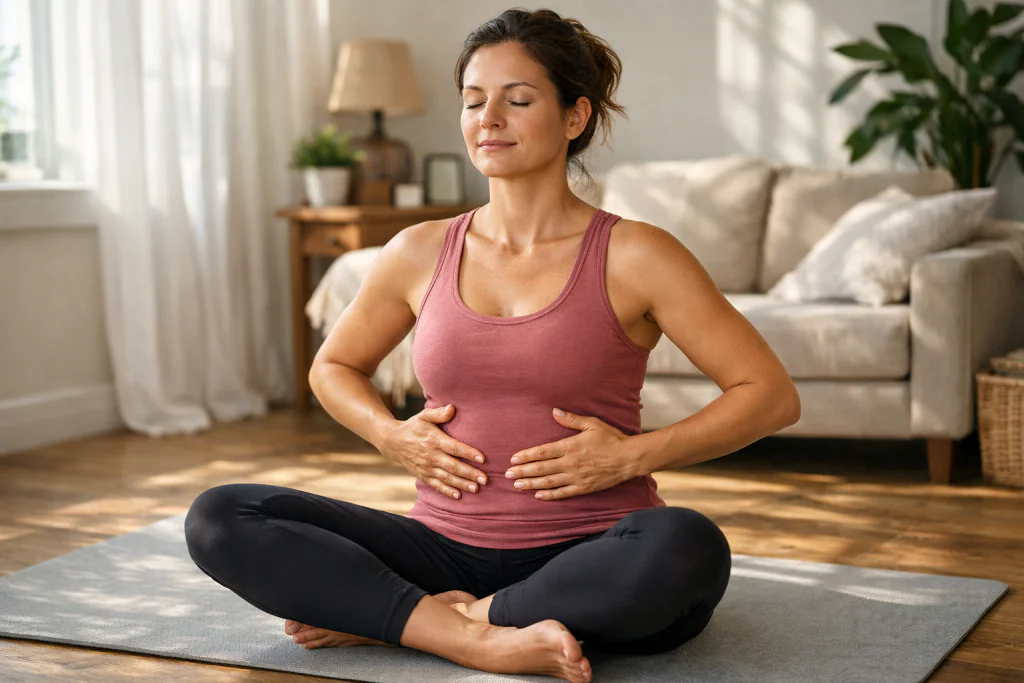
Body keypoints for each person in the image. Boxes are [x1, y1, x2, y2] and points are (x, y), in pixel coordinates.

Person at [184, 8, 800, 683]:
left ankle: (423, 619)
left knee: (688, 545)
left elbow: (769, 395)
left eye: (519, 100)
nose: (489, 119)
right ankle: (475, 635)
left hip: (592, 551)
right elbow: (333, 366)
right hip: (438, 547)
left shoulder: (637, 254)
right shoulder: (418, 250)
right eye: (474, 100)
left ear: (574, 117)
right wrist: (391, 436)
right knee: (222, 516)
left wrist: (632, 455)